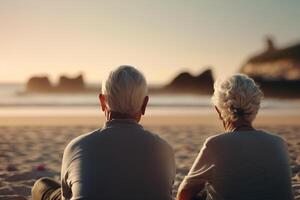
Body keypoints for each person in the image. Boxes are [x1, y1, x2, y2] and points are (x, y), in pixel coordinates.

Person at [32, 65, 175, 200]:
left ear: (102, 101)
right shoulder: (165, 150)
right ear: (144, 105)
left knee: (42, 185)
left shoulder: (76, 147)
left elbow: (66, 197)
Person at [176, 74, 293, 200]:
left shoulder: (216, 145)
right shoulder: (279, 143)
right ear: (256, 108)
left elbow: (183, 195)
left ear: (218, 111)